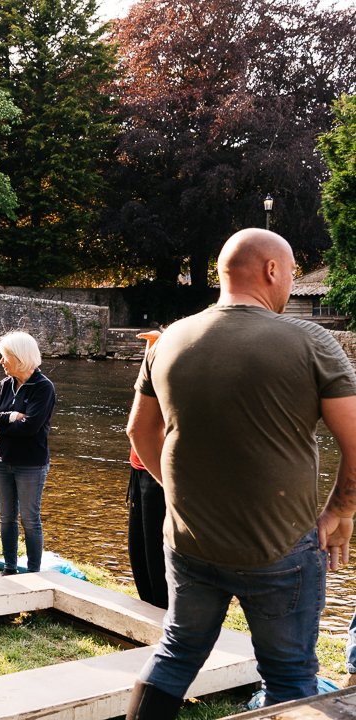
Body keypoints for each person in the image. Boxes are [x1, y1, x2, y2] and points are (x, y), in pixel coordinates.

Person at [124, 228, 356, 718]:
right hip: (280, 550)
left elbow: (139, 435)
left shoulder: (168, 341)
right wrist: (341, 510)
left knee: (175, 654)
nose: (292, 283)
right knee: (290, 674)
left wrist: (179, 497)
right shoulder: (311, 341)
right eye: (292, 272)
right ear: (272, 270)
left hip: (190, 543)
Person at [0, 331, 56, 575]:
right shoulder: (5, 385)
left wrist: (1, 425)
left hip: (30, 463)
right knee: (6, 518)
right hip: (1, 460)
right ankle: (10, 568)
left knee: (30, 520)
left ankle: (34, 572)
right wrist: (12, 417)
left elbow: (31, 427)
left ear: (20, 357)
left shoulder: (43, 388)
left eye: (5, 356)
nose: (1, 361)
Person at [126, 329, 167, 609]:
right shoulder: (155, 371)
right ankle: (150, 612)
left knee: (157, 554)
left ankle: (164, 618)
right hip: (138, 468)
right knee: (139, 550)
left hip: (160, 476)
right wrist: (150, 352)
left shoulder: (180, 375)